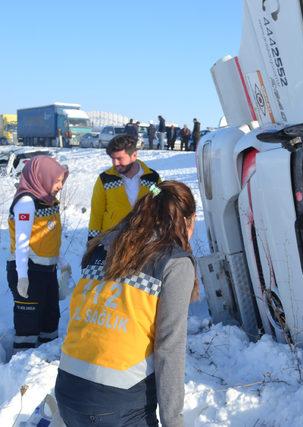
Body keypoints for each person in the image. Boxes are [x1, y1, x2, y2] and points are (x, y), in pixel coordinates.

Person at [55, 181, 198, 427]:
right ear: (188, 220)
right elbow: (169, 347)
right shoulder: (173, 263)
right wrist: (173, 421)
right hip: (118, 401)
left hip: (68, 388)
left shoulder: (102, 246)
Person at [7, 156, 69, 353]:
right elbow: (22, 243)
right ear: (42, 176)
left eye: (61, 181)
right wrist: (22, 277)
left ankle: (45, 362)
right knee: (29, 322)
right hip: (28, 270)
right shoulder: (26, 202)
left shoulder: (48, 201)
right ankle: (21, 369)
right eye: (57, 180)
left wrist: (61, 263)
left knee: (50, 318)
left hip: (46, 270)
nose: (60, 185)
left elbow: (48, 238)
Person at [87, 135, 161, 242]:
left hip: (143, 243)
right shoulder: (105, 179)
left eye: (119, 158)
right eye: (113, 159)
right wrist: (92, 242)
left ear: (134, 155)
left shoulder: (152, 179)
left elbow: (161, 202)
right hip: (112, 244)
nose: (115, 163)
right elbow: (96, 214)